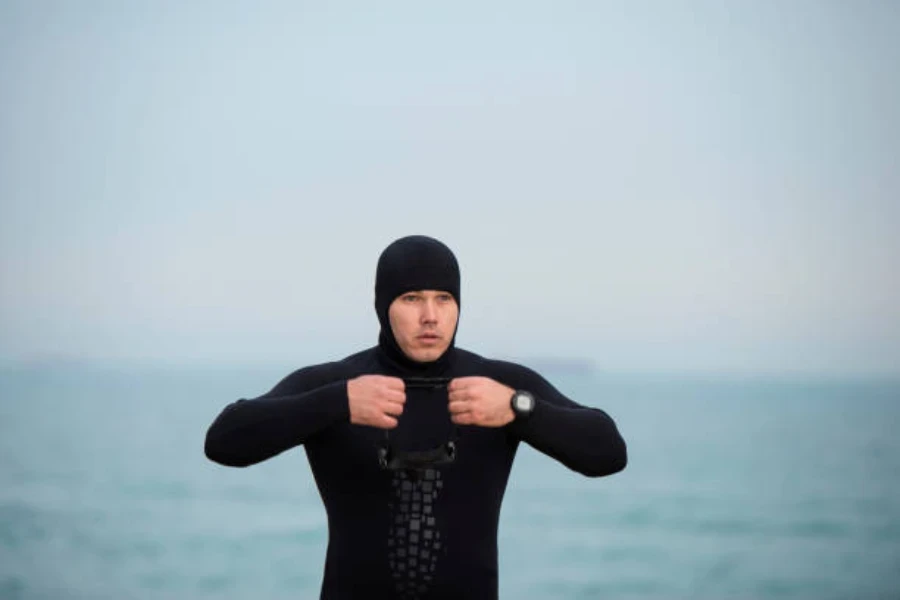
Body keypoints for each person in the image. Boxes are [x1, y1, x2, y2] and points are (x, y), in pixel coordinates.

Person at [204, 235, 627, 600]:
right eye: (412, 299)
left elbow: (608, 452)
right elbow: (225, 440)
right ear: (382, 306)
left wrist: (519, 409)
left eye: (444, 298)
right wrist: (339, 402)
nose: (431, 315)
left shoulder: (499, 386)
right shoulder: (337, 384)